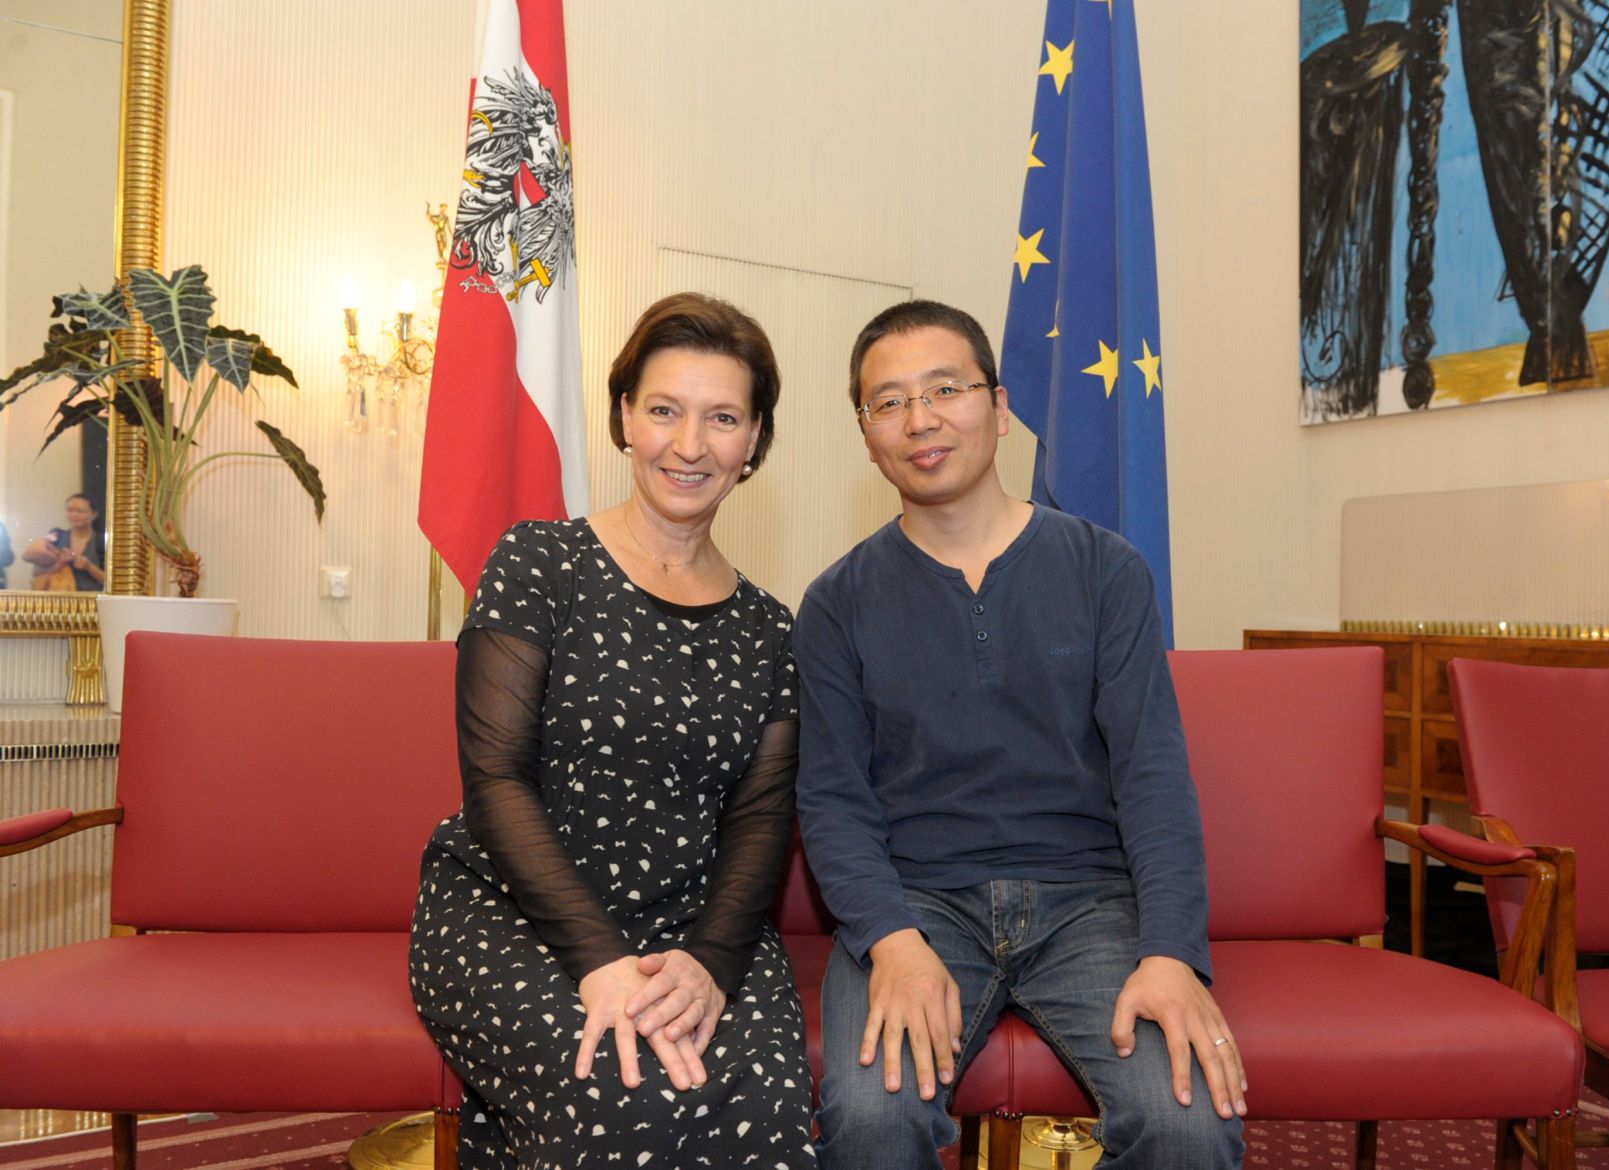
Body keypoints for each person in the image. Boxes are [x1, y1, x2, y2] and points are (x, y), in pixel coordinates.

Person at [794, 301, 1246, 1170]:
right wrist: (891, 942)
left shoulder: (1105, 569)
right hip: (918, 905)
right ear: (865, 433)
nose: (919, 420)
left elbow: (1152, 775)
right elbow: (832, 799)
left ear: (1000, 409)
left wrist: (1170, 953)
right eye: (887, 402)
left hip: (1091, 901)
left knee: (1188, 1121)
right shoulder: (835, 603)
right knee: (870, 1120)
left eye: (944, 389)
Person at [409, 293, 816, 1170]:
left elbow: (759, 821)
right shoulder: (537, 563)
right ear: (624, 416)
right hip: (515, 912)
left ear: (754, 444)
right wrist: (597, 962)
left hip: (698, 925)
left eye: (722, 418)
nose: (689, 443)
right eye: (664, 409)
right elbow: (496, 780)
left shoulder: (773, 629)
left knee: (769, 1109)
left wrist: (707, 964)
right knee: (617, 1095)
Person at [22, 494, 106, 591]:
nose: (74, 514)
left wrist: (89, 567)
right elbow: (36, 572)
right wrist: (60, 563)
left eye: (80, 511)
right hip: (59, 601)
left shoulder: (102, 542)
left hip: (92, 602)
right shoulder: (56, 537)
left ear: (94, 514)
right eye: (70, 510)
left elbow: (113, 583)